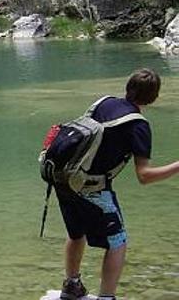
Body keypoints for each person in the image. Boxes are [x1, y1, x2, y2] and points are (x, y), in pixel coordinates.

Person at [56, 68, 179, 300]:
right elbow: (145, 176)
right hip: (92, 187)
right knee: (117, 242)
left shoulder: (104, 102)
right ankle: (106, 297)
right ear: (154, 97)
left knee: (76, 233)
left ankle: (71, 286)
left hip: (65, 178)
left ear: (128, 87)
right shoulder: (138, 125)